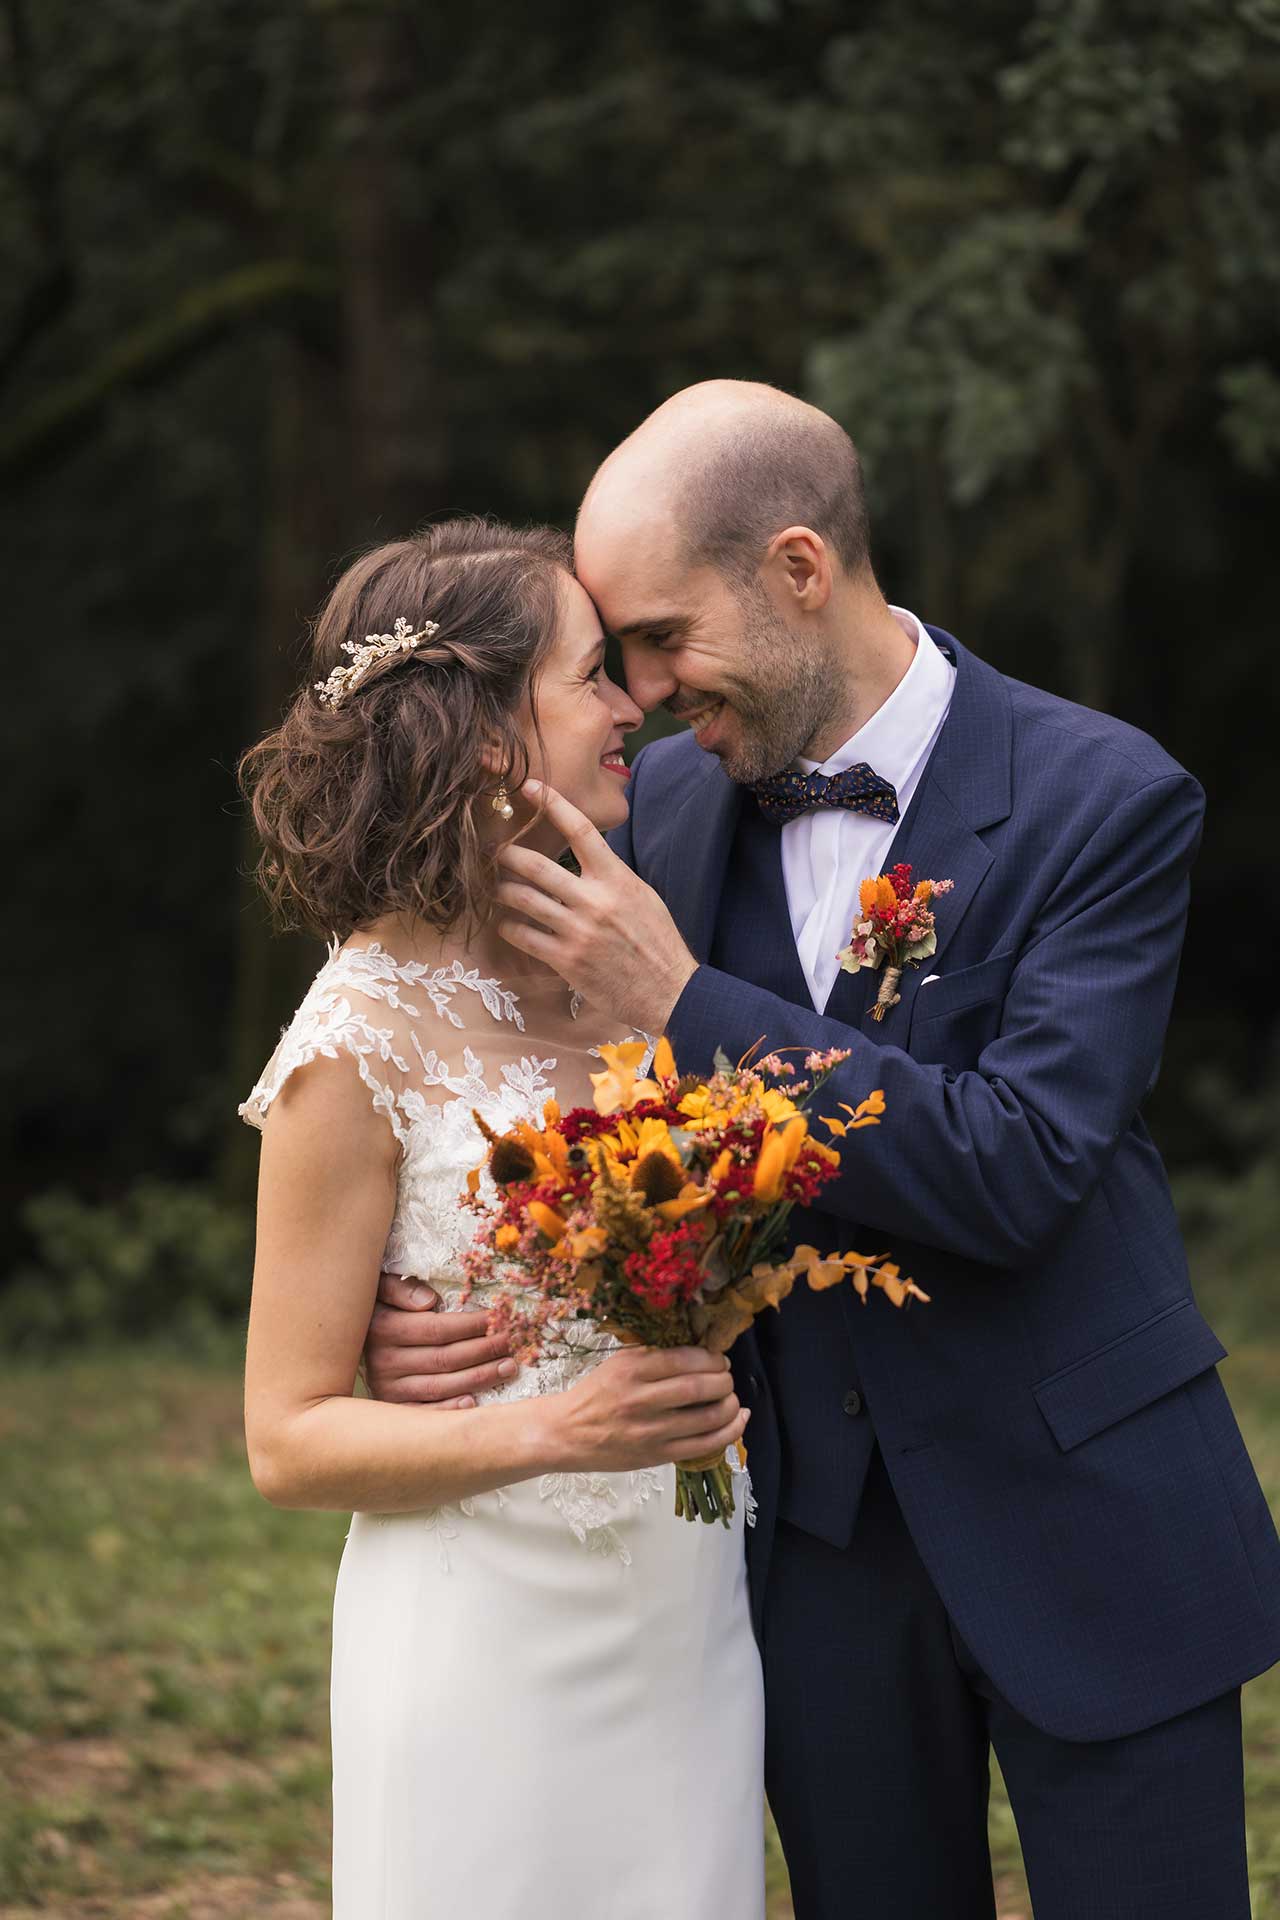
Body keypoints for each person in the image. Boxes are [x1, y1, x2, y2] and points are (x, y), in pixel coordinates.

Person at [365, 384, 1280, 1920]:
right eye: (619, 653)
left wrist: (685, 1000)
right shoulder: (648, 809)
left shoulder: (1103, 799)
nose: (643, 692)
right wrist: (440, 1299)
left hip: (1092, 1519)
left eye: (662, 636)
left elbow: (1016, 1167)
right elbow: (502, 1069)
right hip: (812, 1554)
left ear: (799, 569)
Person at [236, 516, 765, 1920]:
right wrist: (555, 1428)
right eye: (591, 675)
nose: (633, 705)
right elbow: (286, 1440)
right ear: (483, 739)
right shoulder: (356, 1038)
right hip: (483, 1637)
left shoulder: (633, 959)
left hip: (687, 1604)